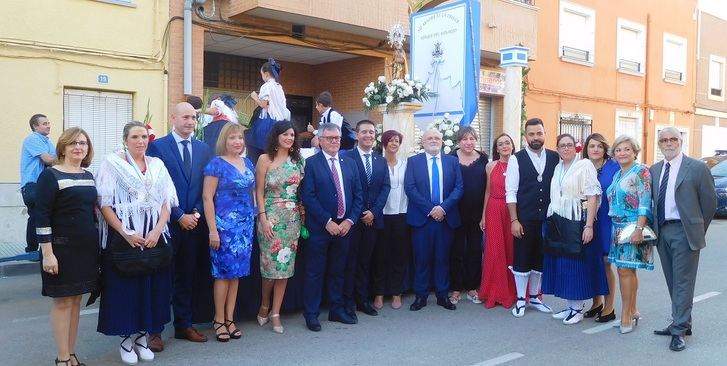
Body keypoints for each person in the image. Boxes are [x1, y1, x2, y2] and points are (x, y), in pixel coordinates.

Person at [96, 121, 178, 365]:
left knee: (151, 289)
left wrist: (157, 230)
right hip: (125, 239)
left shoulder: (157, 165)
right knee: (124, 291)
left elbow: (167, 201)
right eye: (135, 137)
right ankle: (125, 340)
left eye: (144, 136)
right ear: (125, 139)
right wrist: (125, 232)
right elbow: (104, 203)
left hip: (153, 238)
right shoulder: (111, 164)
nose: (141, 141)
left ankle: (143, 337)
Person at [147, 102, 212, 348]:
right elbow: (154, 187)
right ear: (173, 117)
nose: (190, 122)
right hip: (168, 225)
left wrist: (194, 212)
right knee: (163, 278)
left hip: (193, 224)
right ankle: (155, 331)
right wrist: (178, 215)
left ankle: (184, 325)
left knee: (187, 277)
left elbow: (204, 185)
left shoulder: (203, 149)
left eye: (193, 118)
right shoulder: (158, 147)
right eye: (185, 117)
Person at [650, 127, 717, 351]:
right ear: (659, 144)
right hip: (663, 231)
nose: (668, 143)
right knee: (672, 280)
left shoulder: (697, 167)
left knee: (683, 282)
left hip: (684, 230)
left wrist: (696, 228)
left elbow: (709, 203)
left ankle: (678, 330)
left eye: (673, 139)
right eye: (664, 140)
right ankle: (683, 322)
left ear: (681, 141)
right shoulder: (655, 169)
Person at [35, 128, 97, 366]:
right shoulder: (50, 176)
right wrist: (47, 254)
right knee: (62, 303)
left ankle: (71, 354)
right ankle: (62, 358)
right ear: (62, 147)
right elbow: (42, 217)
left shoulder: (88, 175)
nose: (78, 147)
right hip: (60, 251)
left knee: (75, 303)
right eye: (72, 143)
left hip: (85, 250)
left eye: (82, 143)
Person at [301, 123, 363, 331]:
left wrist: (349, 221)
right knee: (315, 272)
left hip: (345, 227)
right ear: (319, 140)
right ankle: (311, 314)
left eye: (337, 137)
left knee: (339, 270)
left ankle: (337, 309)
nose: (335, 141)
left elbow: (358, 196)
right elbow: (308, 196)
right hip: (321, 228)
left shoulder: (350, 163)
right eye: (330, 138)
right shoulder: (311, 163)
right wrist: (327, 221)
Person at [541, 134, 607, 325]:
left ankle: (577, 309)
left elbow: (593, 195)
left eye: (569, 145)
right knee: (563, 265)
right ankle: (571, 306)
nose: (566, 148)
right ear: (558, 149)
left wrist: (589, 226)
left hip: (577, 220)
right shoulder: (558, 167)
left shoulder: (584, 165)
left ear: (576, 148)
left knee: (575, 266)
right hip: (558, 221)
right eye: (562, 146)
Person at [202, 123, 255, 342]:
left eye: (240, 138)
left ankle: (230, 318)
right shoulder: (216, 165)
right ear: (224, 140)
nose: (237, 142)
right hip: (224, 229)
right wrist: (213, 230)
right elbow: (207, 198)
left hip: (245, 228)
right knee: (223, 275)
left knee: (237, 275)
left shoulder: (248, 162)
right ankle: (218, 319)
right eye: (233, 138)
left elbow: (251, 193)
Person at [505, 118, 559, 317]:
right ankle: (521, 299)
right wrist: (514, 220)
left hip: (547, 218)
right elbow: (510, 192)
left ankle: (535, 297)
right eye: (531, 134)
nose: (535, 137)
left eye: (539, 133)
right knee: (522, 257)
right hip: (524, 217)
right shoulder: (515, 159)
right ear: (525, 136)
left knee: (540, 257)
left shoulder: (555, 157)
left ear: (544, 134)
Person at [405, 129, 464, 312]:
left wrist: (443, 208)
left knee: (442, 259)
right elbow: (410, 187)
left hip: (445, 219)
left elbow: (459, 187)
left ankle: (442, 295)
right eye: (429, 138)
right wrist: (431, 209)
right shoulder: (413, 161)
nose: (433, 141)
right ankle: (420, 296)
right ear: (423, 142)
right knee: (421, 259)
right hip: (422, 219)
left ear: (442, 141)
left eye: (437, 138)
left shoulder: (452, 161)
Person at [255, 120, 305, 334]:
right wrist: (263, 219)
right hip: (270, 219)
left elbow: (302, 192)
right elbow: (258, 192)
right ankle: (264, 303)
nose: (289, 138)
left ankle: (276, 312)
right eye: (285, 134)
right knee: (270, 267)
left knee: (285, 269)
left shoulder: (299, 161)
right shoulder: (264, 159)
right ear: (276, 136)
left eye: (292, 135)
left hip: (292, 219)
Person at [342, 120, 391, 318]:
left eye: (371, 132)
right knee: (350, 262)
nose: (368, 135)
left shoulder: (381, 160)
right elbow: (350, 189)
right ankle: (347, 302)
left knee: (365, 262)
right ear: (356, 135)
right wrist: (362, 213)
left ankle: (362, 300)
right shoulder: (348, 158)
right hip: (354, 220)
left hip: (374, 220)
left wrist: (374, 212)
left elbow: (385, 188)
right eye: (364, 132)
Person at [607, 135, 653, 334]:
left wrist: (639, 229)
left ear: (634, 152)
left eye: (626, 149)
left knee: (626, 271)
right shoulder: (618, 173)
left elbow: (645, 201)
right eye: (618, 150)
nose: (622, 153)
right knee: (625, 270)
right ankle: (633, 310)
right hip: (617, 226)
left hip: (633, 226)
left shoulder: (641, 171)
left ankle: (626, 314)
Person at [582, 133, 620, 323]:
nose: (595, 149)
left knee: (605, 263)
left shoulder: (614, 167)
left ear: (605, 149)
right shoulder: (583, 167)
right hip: (589, 221)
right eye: (591, 146)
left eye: (599, 146)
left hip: (608, 220)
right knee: (592, 262)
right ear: (586, 150)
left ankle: (610, 307)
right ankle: (596, 303)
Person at [449, 126, 488, 305]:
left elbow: (488, 187)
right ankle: (456, 288)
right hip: (455, 212)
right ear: (459, 141)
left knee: (474, 250)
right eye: (465, 139)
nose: (469, 142)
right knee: (456, 251)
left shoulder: (483, 159)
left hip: (477, 214)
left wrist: (485, 214)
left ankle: (472, 287)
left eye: (472, 138)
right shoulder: (450, 158)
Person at [478, 133, 517, 309]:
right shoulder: (490, 166)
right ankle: (493, 290)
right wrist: (483, 215)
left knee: (511, 250)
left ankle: (512, 290)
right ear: (496, 148)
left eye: (507, 143)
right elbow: (487, 191)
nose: (504, 146)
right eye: (500, 144)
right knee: (494, 250)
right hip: (494, 208)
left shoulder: (518, 164)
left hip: (511, 210)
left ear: (512, 145)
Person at [372, 130, 409, 310]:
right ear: (384, 143)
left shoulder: (405, 165)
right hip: (382, 215)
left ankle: (396, 293)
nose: (394, 144)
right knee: (381, 255)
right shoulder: (378, 163)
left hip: (401, 214)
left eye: (397, 141)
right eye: (391, 141)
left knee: (398, 256)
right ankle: (378, 293)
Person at [20, 113, 56, 253]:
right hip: (32, 186)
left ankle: (41, 249)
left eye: (48, 123)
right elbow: (48, 159)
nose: (48, 126)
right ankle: (32, 249)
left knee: (43, 215)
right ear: (35, 126)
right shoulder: (32, 139)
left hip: (43, 184)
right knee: (36, 215)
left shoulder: (48, 141)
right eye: (45, 123)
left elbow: (55, 159)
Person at [248, 58, 291, 164]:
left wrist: (254, 97)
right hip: (281, 122)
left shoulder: (266, 86)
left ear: (266, 74)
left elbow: (264, 104)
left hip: (267, 122)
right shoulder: (279, 87)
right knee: (275, 153)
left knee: (257, 149)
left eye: (262, 74)